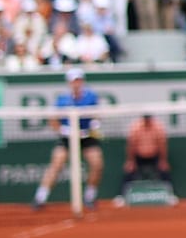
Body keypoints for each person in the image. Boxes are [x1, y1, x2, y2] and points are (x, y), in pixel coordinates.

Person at [33, 69, 105, 210]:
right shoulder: (62, 100)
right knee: (56, 164)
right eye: (73, 81)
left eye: (78, 80)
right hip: (67, 137)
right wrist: (64, 130)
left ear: (82, 81)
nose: (76, 83)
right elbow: (52, 120)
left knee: (97, 164)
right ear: (69, 83)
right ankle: (40, 198)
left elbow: (97, 115)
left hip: (86, 136)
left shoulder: (91, 97)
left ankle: (89, 197)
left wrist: (93, 125)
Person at [118, 113, 173, 203]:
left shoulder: (158, 127)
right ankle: (122, 196)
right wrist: (131, 161)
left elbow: (162, 145)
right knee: (128, 172)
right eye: (145, 118)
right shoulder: (135, 127)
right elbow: (131, 145)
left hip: (154, 156)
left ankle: (170, 195)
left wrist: (163, 161)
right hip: (138, 157)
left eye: (149, 118)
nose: (147, 120)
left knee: (164, 171)